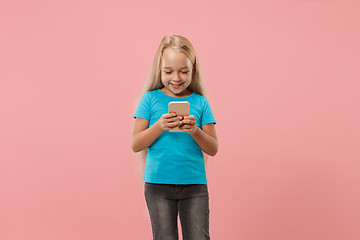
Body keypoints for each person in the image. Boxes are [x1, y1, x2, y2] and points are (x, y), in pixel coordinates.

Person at [131, 35, 218, 240]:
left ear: (193, 69)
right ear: (159, 69)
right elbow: (136, 144)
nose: (176, 78)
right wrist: (159, 126)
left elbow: (213, 148)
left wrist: (195, 130)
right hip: (157, 186)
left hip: (194, 185)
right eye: (168, 71)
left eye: (184, 71)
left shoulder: (201, 102)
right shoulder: (150, 99)